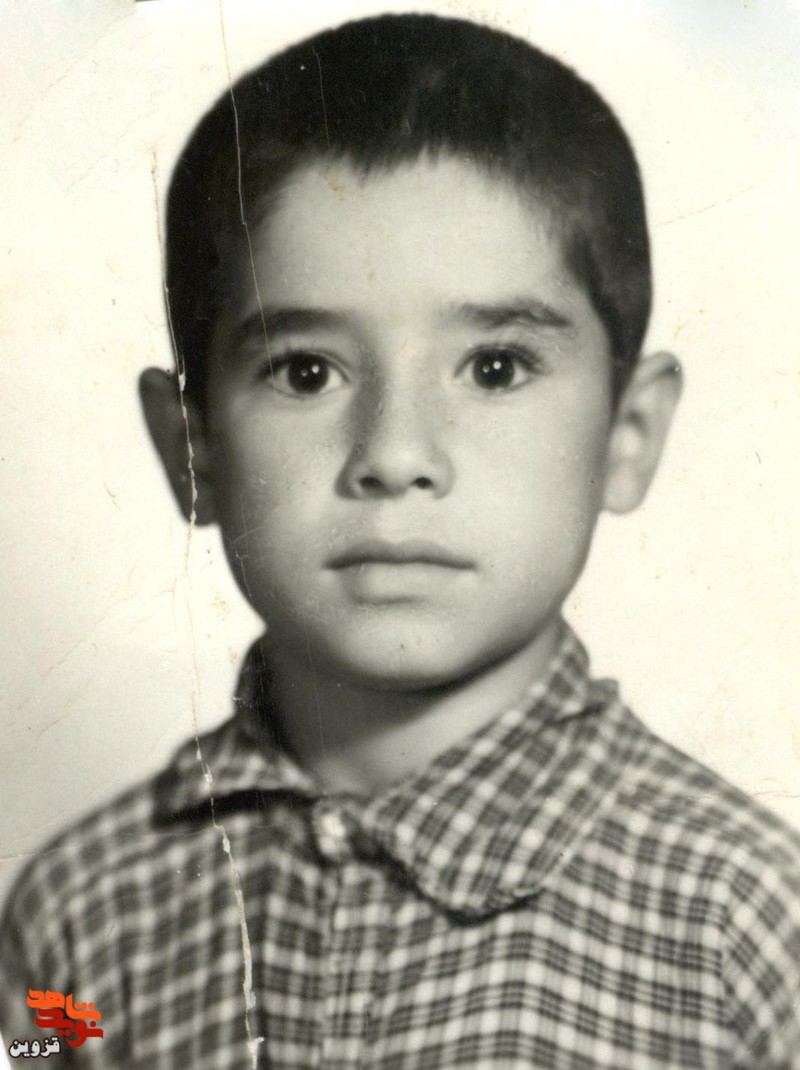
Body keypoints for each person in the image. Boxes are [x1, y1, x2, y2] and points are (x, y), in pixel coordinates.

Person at [2, 13, 799, 1069]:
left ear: (627, 432)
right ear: (191, 448)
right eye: (305, 371)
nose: (394, 454)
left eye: (495, 367)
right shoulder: (74, 921)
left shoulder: (749, 930)